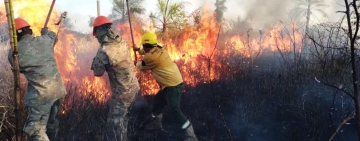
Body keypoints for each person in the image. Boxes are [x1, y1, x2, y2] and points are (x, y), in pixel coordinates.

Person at [7, 18, 66, 141]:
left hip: (41, 97)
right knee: (52, 125)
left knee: (37, 131)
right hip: (57, 92)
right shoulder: (45, 41)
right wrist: (45, 31)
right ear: (30, 31)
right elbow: (53, 36)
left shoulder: (15, 53)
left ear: (14, 36)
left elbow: (18, 68)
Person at [134, 32, 198, 141]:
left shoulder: (151, 57)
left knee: (174, 109)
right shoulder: (159, 49)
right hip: (169, 84)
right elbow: (147, 51)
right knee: (158, 102)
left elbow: (141, 66)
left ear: (146, 46)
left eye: (144, 46)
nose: (144, 48)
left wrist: (136, 63)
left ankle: (191, 136)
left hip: (172, 85)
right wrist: (138, 49)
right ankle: (156, 125)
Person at [91, 15, 140, 141]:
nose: (95, 36)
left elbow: (97, 73)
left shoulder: (104, 50)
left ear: (99, 31)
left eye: (96, 33)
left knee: (114, 123)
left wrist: (97, 59)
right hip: (134, 88)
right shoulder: (122, 41)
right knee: (123, 119)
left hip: (122, 93)